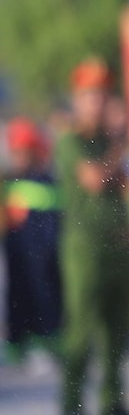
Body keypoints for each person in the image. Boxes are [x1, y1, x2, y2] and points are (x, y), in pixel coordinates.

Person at [54, 58, 129, 415]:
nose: (96, 103)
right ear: (77, 100)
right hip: (84, 249)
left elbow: (126, 191)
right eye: (89, 96)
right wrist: (119, 149)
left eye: (102, 95)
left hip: (116, 245)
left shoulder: (108, 142)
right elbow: (93, 179)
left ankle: (113, 402)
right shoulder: (71, 140)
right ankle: (72, 404)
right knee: (81, 328)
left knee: (117, 329)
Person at [5, 118, 63, 367]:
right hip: (16, 254)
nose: (20, 157)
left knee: (45, 297)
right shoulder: (8, 182)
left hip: (43, 253)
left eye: (24, 152)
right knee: (17, 299)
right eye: (16, 152)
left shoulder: (46, 181)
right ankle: (17, 346)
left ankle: (46, 342)